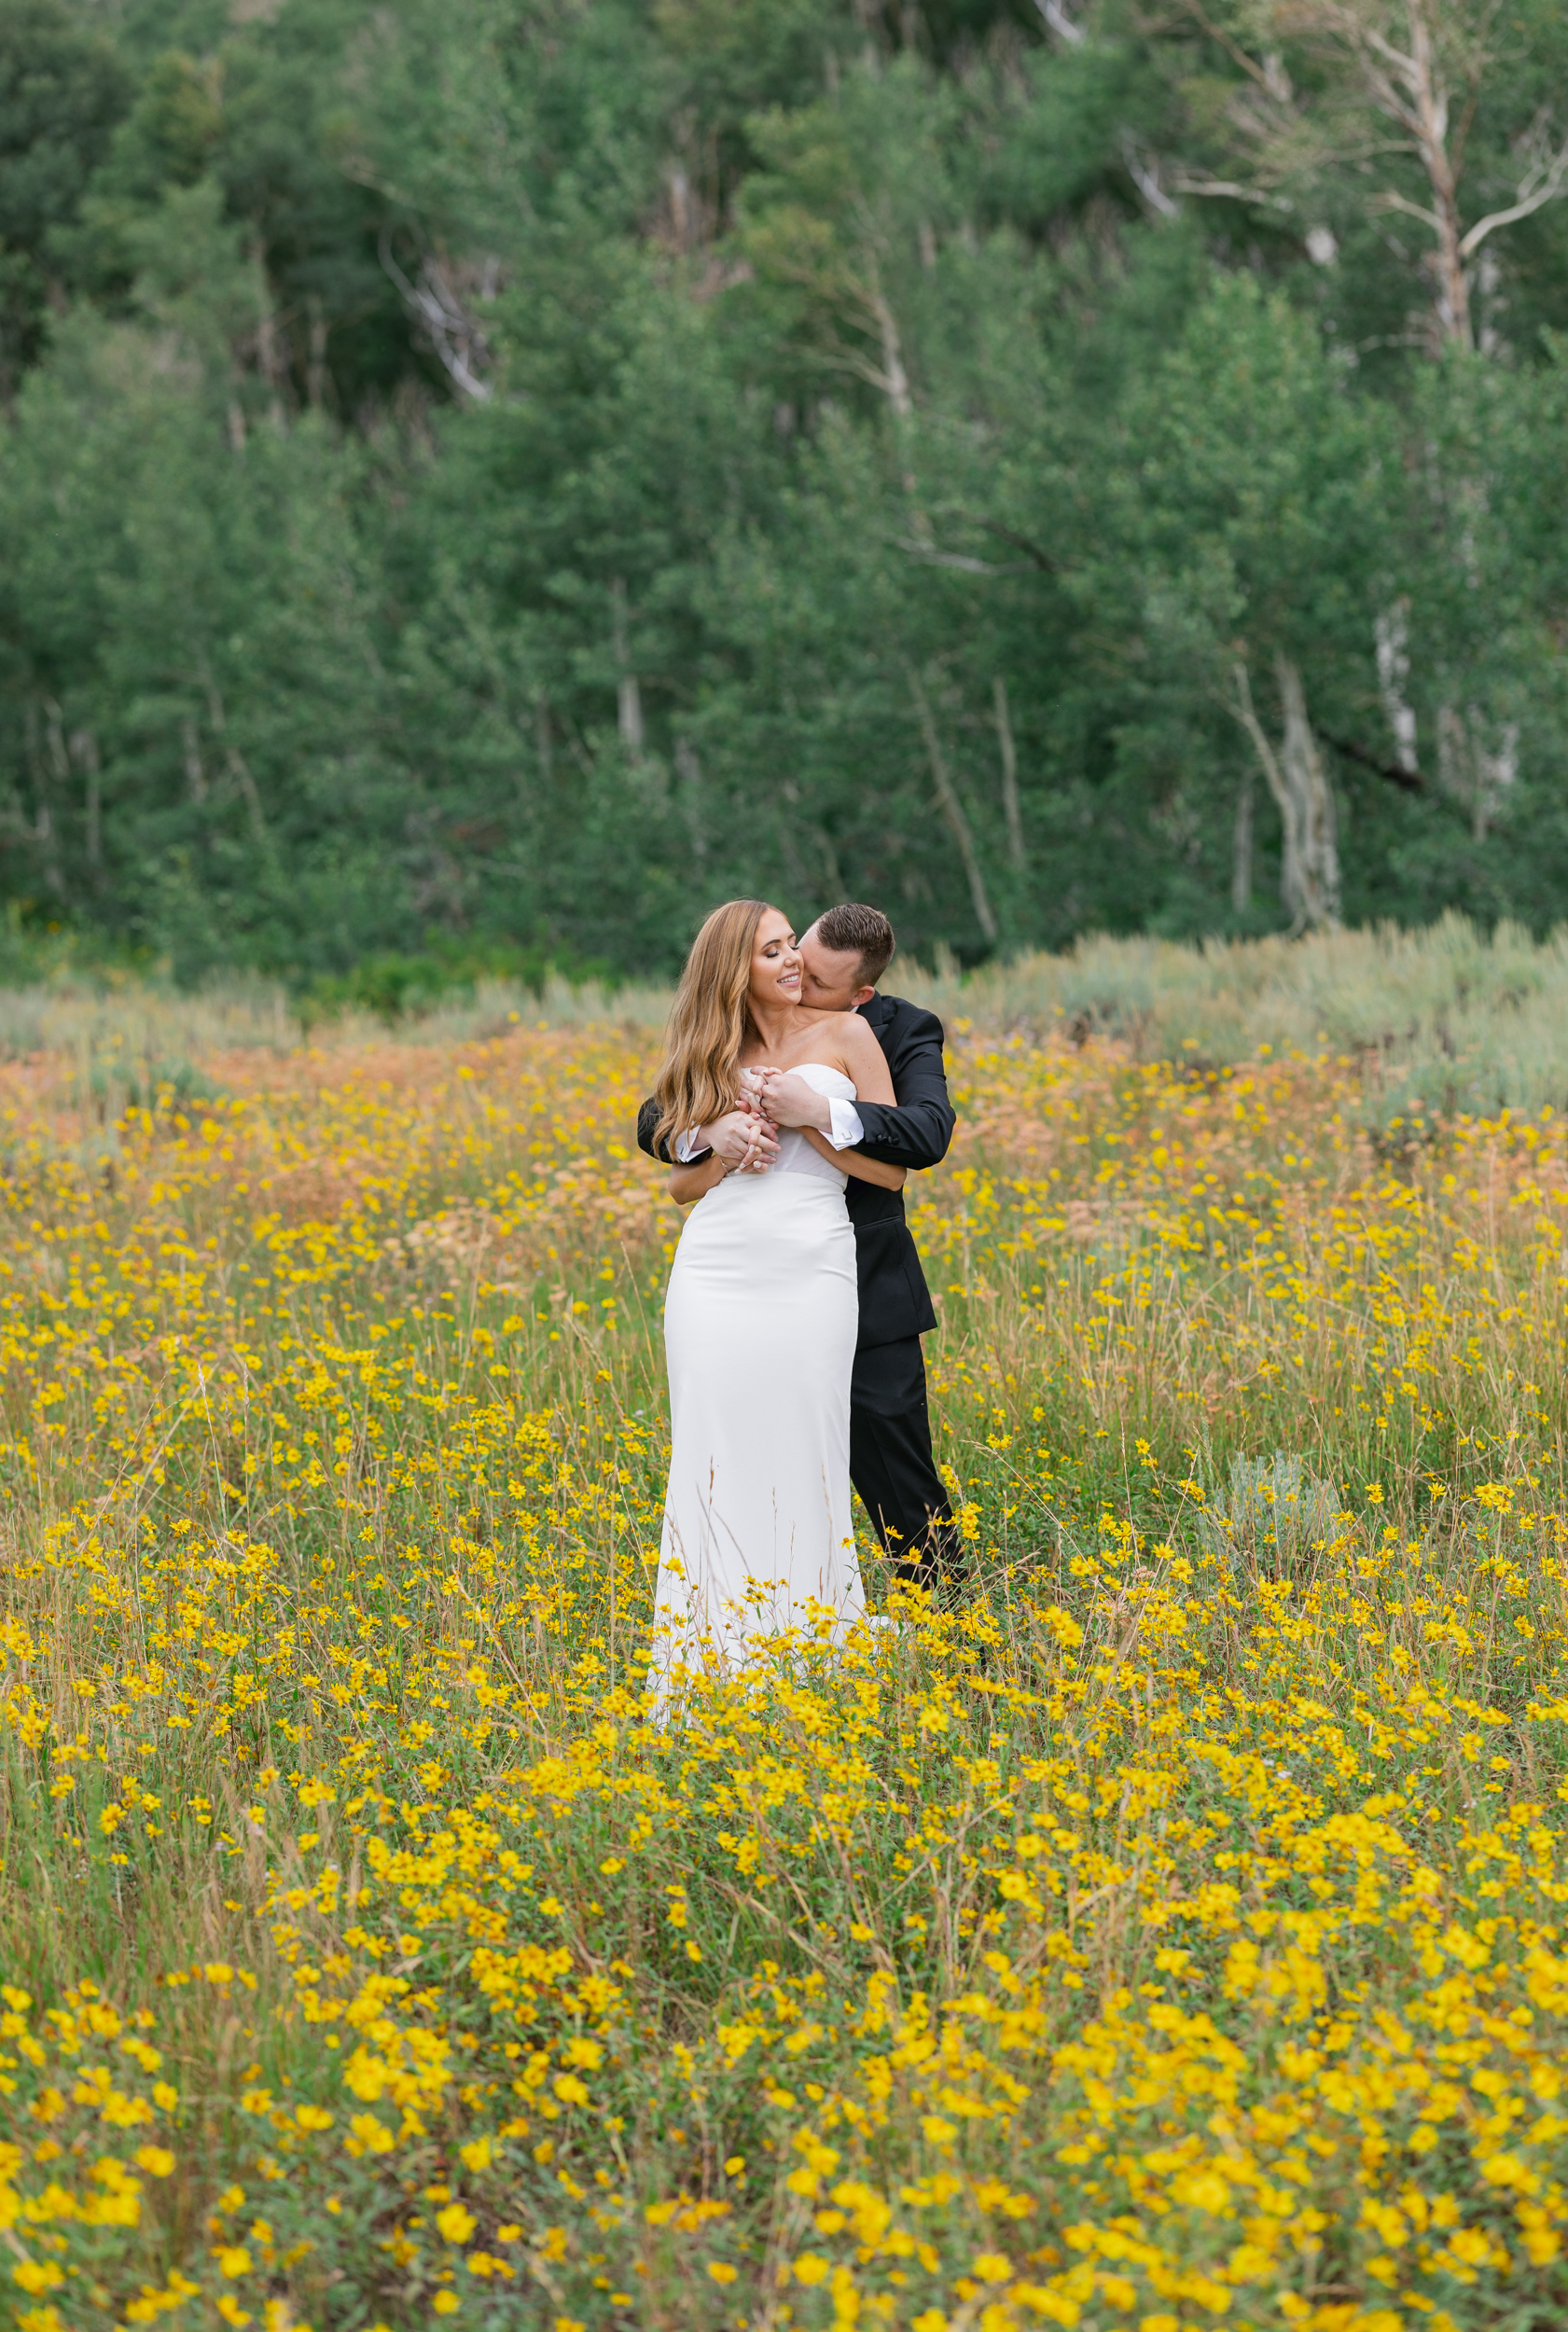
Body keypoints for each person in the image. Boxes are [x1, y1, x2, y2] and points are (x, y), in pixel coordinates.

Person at [638, 899, 961, 1599]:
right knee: (728, 1448)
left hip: (849, 1273)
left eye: (812, 976)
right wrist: (719, 1134)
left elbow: (921, 1141)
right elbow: (660, 1130)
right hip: (724, 1262)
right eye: (785, 954)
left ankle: (953, 1633)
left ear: (859, 994)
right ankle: (728, 1620)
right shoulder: (721, 1036)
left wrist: (813, 1116)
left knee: (892, 1468)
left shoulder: (888, 1030)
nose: (794, 978)